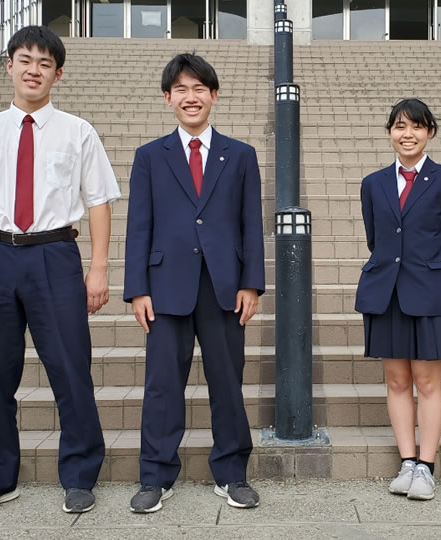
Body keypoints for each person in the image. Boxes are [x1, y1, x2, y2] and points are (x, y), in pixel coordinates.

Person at [0, 25, 120, 515]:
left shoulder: (78, 132)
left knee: (71, 370)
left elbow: (99, 203)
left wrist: (99, 268)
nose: (34, 70)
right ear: (9, 65)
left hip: (55, 256)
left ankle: (81, 474)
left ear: (58, 74)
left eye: (45, 63)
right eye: (25, 60)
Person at [124, 53, 265, 513]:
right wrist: (137, 289)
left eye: (199, 88)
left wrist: (252, 284)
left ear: (214, 95)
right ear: (168, 98)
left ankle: (231, 472)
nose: (191, 97)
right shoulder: (149, 156)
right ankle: (156, 476)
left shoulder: (241, 155)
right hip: (165, 286)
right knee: (163, 384)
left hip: (225, 286)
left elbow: (251, 224)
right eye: (181, 90)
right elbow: (139, 226)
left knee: (227, 381)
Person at [355, 99, 441, 501]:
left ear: (430, 133)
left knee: (427, 381)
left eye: (417, 127)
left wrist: (430, 273)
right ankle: (406, 462)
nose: (408, 134)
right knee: (397, 380)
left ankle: (427, 467)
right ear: (389, 132)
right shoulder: (374, 183)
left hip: (431, 292)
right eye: (400, 127)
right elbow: (376, 239)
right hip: (386, 292)